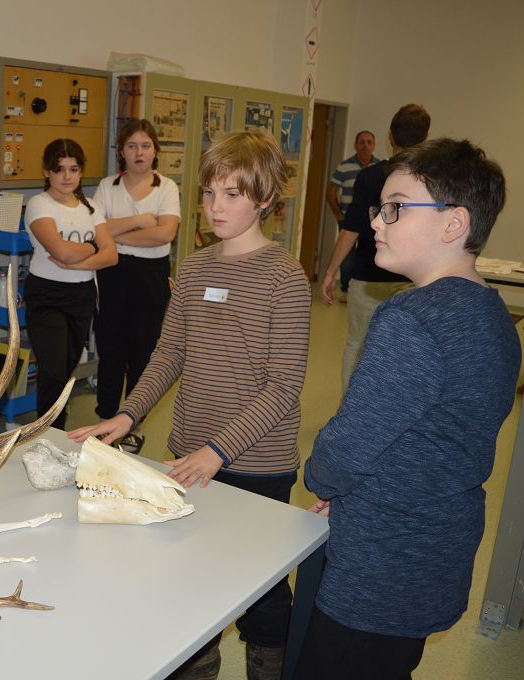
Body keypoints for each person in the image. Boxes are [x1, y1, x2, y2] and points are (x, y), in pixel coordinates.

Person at [71, 130, 311, 680]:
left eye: (232, 194)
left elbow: (283, 386)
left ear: (265, 199)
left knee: (262, 592)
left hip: (256, 464)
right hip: (188, 457)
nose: (215, 207)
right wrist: (128, 413)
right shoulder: (197, 269)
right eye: (208, 193)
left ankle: (268, 666)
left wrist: (217, 451)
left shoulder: (285, 279)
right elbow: (169, 353)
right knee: (193, 581)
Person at [294, 138, 520, 680]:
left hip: (379, 564)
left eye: (396, 208)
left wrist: (322, 479)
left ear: (454, 223)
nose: (377, 221)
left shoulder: (413, 319)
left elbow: (347, 448)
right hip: (437, 548)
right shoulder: (493, 313)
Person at [320, 104, 430, 389]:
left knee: (357, 345)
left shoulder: (370, 177)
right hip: (412, 280)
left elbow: (351, 230)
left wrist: (330, 272)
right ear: (425, 137)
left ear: (390, 136)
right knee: (403, 351)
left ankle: (351, 407)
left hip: (368, 277)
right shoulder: (432, 180)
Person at [92, 119, 180, 454]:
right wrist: (141, 221)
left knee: (142, 351)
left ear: (155, 150)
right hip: (112, 272)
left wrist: (117, 232)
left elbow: (165, 234)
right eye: (132, 146)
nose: (139, 152)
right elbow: (95, 231)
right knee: (111, 349)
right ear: (122, 152)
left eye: (145, 145)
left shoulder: (166, 187)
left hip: (150, 275)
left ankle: (133, 423)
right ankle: (105, 419)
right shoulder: (107, 186)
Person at [25, 138, 118, 429]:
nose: (67, 176)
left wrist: (76, 261)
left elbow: (111, 256)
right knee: (52, 371)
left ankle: (55, 428)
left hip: (82, 294)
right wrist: (92, 246)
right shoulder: (39, 205)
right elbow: (61, 251)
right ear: (46, 171)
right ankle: (46, 433)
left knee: (66, 371)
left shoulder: (90, 207)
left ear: (81, 172)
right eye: (59, 169)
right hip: (47, 295)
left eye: (74, 169)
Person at [325, 130, 378, 301]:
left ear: (374, 146)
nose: (365, 146)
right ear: (356, 145)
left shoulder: (379, 168)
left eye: (369, 142)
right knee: (346, 256)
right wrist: (338, 214)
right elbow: (331, 191)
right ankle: (346, 290)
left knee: (366, 254)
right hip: (348, 220)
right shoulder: (344, 166)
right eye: (362, 142)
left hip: (371, 221)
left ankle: (361, 290)